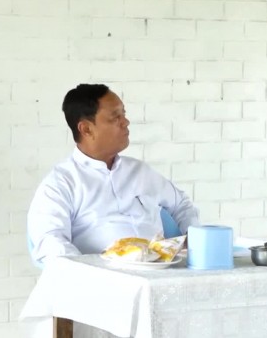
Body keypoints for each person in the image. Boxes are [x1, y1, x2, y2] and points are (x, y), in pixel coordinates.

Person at [27, 84, 199, 264]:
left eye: (124, 114)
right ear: (86, 129)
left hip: (160, 272)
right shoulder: (61, 183)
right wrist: (92, 273)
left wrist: (193, 238)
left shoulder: (141, 172)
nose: (125, 122)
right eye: (115, 117)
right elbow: (50, 241)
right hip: (102, 277)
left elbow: (181, 204)